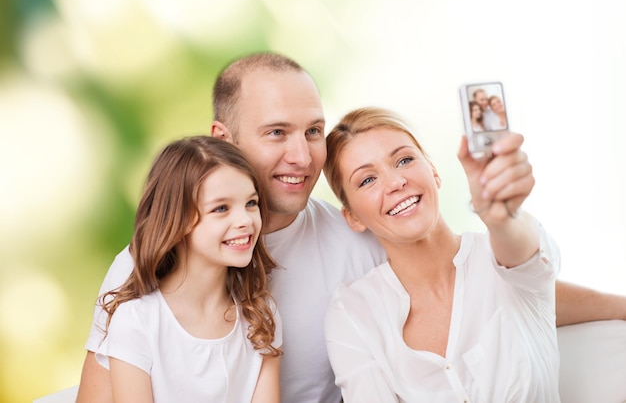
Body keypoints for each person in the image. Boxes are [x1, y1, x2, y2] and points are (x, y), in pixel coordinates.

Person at [77, 51, 626, 403]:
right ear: (223, 137)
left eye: (313, 130)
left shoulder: (358, 242)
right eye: (276, 133)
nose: (301, 155)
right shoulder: (149, 263)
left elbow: (496, 287)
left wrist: (614, 303)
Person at [323, 106, 560, 402]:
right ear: (353, 218)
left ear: (433, 171)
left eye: (404, 160)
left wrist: (501, 216)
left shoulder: (501, 258)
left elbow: (525, 255)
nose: (396, 183)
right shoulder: (354, 311)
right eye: (367, 180)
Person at [94, 136, 282, 402]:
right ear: (177, 220)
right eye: (221, 208)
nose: (245, 220)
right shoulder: (137, 321)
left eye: (251, 203)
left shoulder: (260, 315)